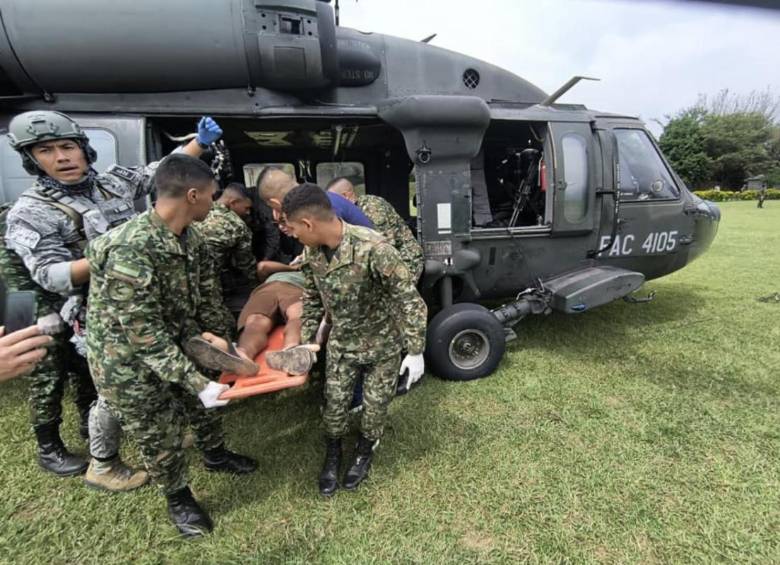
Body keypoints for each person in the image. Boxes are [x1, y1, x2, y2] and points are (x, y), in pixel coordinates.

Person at [85, 154, 258, 538]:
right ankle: (179, 497)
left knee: (202, 409)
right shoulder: (130, 248)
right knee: (158, 432)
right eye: (212, 197)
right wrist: (197, 381)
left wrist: (221, 347)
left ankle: (215, 454)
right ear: (193, 195)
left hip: (177, 341)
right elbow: (144, 336)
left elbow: (205, 296)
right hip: (126, 361)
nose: (215, 204)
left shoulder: (191, 237)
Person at [279, 184, 427, 496]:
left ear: (308, 224)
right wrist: (308, 341)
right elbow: (312, 300)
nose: (291, 235)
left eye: (292, 228)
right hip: (342, 346)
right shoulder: (312, 254)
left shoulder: (375, 248)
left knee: (374, 413)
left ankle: (363, 451)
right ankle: (333, 454)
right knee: (334, 409)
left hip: (381, 346)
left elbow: (409, 302)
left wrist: (415, 350)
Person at [326, 177, 424, 279]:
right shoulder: (349, 214)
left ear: (346, 196)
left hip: (406, 260)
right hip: (386, 262)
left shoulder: (371, 206)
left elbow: (379, 244)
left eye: (334, 200)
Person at [197, 182, 259, 334]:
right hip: (208, 283)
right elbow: (246, 265)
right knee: (225, 327)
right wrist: (258, 289)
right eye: (246, 208)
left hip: (184, 280)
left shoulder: (197, 212)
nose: (248, 213)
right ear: (233, 203)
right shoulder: (236, 225)